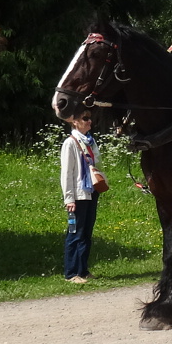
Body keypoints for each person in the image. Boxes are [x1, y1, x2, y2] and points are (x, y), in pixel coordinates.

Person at [59, 113, 105, 282]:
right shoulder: (70, 143)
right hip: (78, 194)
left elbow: (97, 164)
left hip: (91, 192)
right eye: (85, 119)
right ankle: (71, 273)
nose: (89, 121)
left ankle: (83, 270)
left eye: (89, 118)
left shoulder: (90, 141)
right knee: (75, 233)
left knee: (86, 233)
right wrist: (69, 198)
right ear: (75, 122)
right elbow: (67, 173)